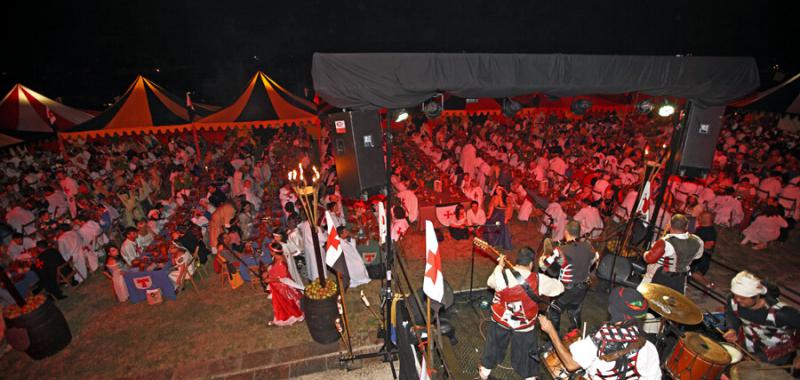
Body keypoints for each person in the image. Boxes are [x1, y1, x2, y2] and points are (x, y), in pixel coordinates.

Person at [538, 287, 662, 379]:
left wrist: (551, 331)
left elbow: (570, 364)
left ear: (613, 310)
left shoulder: (600, 339)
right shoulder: (649, 348)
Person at [479, 247, 565, 380]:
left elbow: (490, 283)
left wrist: (499, 268)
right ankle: (529, 376)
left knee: (494, 344)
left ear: (517, 261)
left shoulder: (502, 275)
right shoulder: (539, 279)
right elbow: (559, 288)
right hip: (524, 324)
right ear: (531, 264)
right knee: (527, 350)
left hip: (501, 320)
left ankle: (484, 372)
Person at [724, 271, 800, 368]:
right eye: (735, 295)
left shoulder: (782, 313)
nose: (737, 300)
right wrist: (732, 329)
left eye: (743, 298)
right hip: (750, 346)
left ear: (757, 296)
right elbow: (731, 314)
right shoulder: (732, 300)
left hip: (778, 354)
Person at [540, 221, 598, 333]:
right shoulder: (589, 247)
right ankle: (575, 335)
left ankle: (553, 339)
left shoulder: (561, 250)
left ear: (566, 232)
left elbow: (544, 266)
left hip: (565, 289)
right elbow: (594, 261)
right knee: (575, 310)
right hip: (583, 287)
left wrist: (543, 257)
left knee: (554, 310)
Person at [642, 214, 703, 293]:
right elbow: (697, 256)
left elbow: (649, 259)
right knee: (674, 302)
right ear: (686, 226)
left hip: (659, 276)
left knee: (645, 298)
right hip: (680, 279)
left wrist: (645, 253)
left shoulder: (665, 242)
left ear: (670, 224)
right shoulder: (697, 241)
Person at [262, 241, 305, 326]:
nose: (270, 252)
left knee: (286, 304)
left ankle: (290, 316)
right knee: (282, 304)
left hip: (281, 287)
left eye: (271, 251)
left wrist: (269, 280)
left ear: (274, 252)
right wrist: (268, 272)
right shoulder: (277, 257)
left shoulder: (281, 262)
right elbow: (274, 267)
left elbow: (282, 278)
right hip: (276, 285)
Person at [690, 211, 717, 288]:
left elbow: (709, 245)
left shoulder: (710, 231)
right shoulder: (701, 228)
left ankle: (709, 285)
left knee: (694, 273)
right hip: (697, 255)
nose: (699, 218)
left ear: (706, 219)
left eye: (701, 217)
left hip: (702, 257)